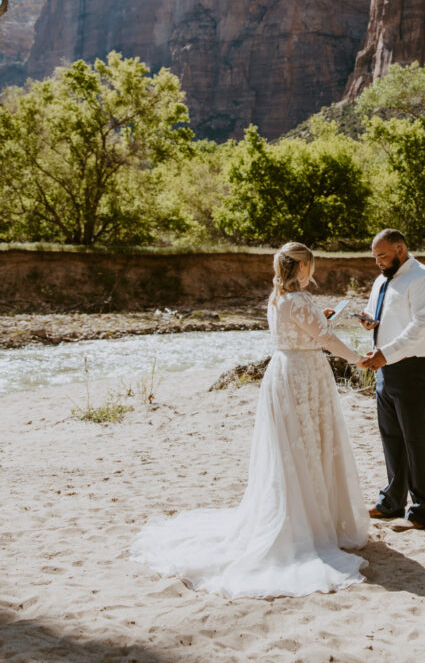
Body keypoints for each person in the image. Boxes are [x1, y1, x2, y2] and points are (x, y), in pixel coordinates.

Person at [131, 242, 369, 599]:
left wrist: (324, 316)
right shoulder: (299, 301)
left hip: (285, 372)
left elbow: (305, 329)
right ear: (302, 267)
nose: (312, 271)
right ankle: (310, 527)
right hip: (304, 374)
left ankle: (305, 516)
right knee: (310, 443)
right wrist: (356, 358)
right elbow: (324, 338)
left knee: (292, 447)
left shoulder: (277, 300)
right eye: (310, 265)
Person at [358, 228, 425, 530]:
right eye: (375, 258)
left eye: (382, 256)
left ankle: (422, 511)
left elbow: (420, 326)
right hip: (387, 367)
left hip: (417, 367)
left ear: (400, 249)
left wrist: (386, 352)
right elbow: (377, 315)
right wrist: (369, 321)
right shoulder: (382, 280)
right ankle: (393, 502)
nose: (378, 262)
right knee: (391, 436)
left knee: (416, 439)